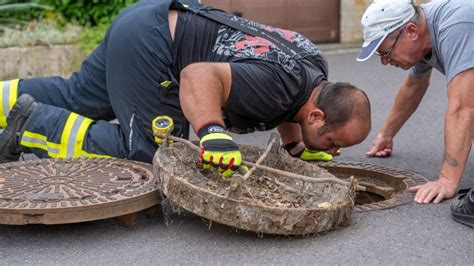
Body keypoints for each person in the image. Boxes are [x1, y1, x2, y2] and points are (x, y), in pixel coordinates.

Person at [0, 0, 371, 178]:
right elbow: (198, 76)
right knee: (150, 153)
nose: (336, 151)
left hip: (150, 18)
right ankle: (32, 123)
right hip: (158, 44)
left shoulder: (313, 70)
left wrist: (295, 146)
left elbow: (289, 107)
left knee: (77, 96)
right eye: (336, 141)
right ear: (318, 115)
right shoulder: (278, 86)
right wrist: (212, 132)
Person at [357, 0, 473, 226]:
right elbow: (413, 86)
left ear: (410, 31)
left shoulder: (456, 25)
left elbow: (463, 108)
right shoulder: (423, 30)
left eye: (386, 52)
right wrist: (386, 134)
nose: (384, 61)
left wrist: (447, 180)